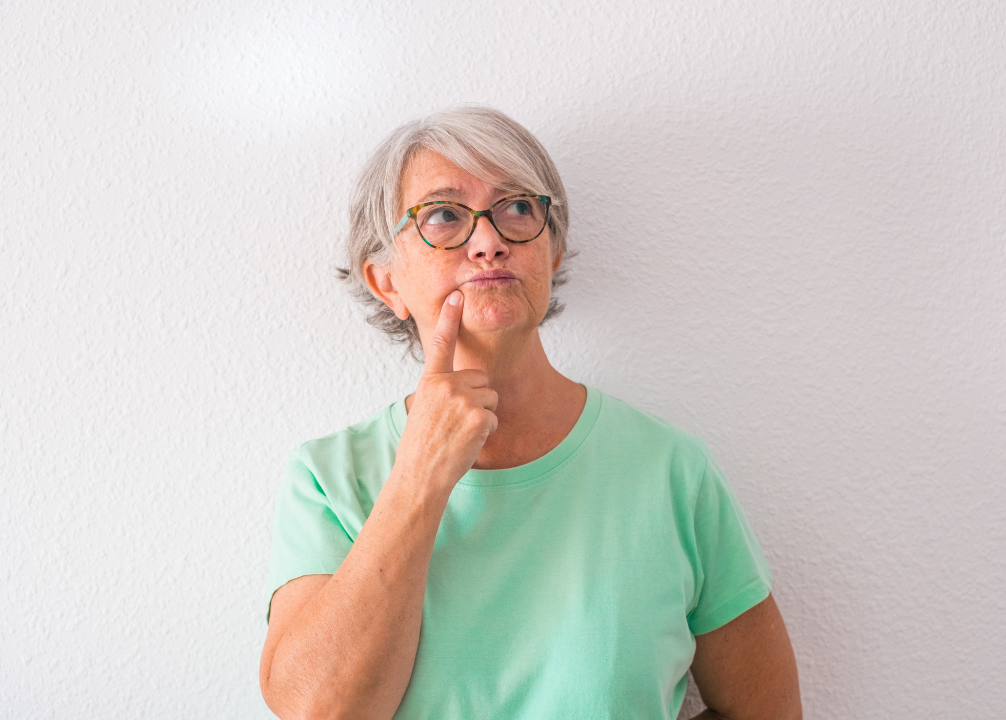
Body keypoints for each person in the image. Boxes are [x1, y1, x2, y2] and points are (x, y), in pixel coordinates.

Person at [259, 106, 802, 720]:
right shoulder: (327, 478)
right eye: (443, 215)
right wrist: (419, 475)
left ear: (553, 250)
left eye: (518, 208)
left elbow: (769, 709)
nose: (489, 240)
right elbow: (319, 710)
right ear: (386, 281)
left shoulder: (671, 470)